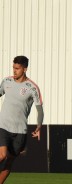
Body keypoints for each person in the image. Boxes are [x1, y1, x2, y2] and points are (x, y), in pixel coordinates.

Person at [0, 56, 44, 184]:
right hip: (3, 125)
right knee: (2, 155)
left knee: (9, 161)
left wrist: (39, 126)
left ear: (25, 69)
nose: (14, 71)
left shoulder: (32, 87)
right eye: (13, 68)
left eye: (17, 68)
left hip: (20, 130)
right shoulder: (6, 81)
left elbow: (40, 109)